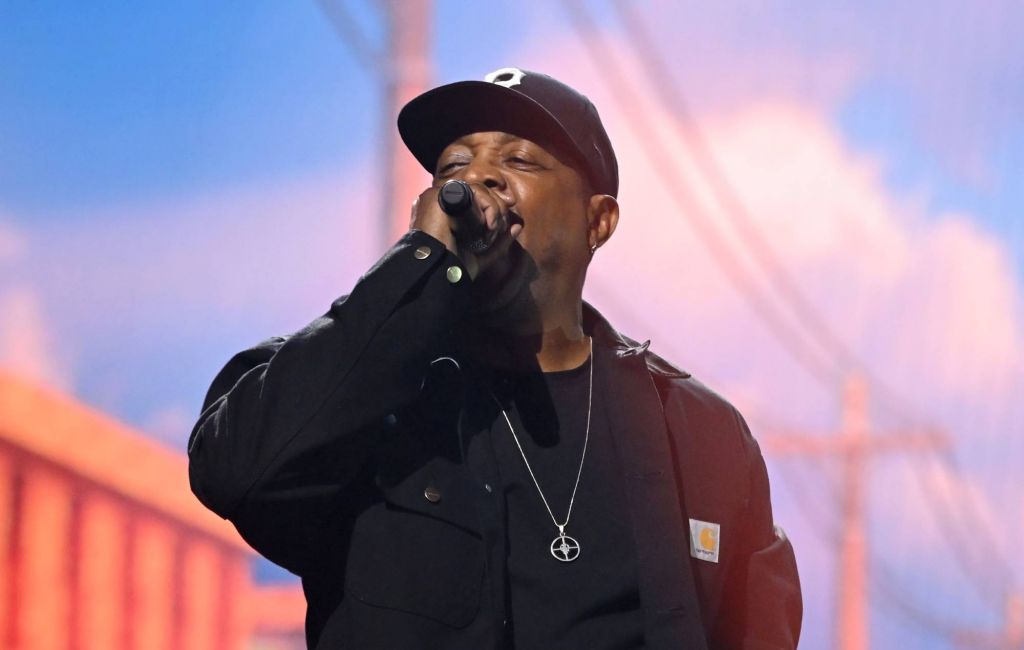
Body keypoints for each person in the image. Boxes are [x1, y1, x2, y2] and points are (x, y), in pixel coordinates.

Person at [188, 67, 802, 650]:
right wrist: (419, 265)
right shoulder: (362, 392)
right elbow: (234, 473)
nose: (479, 178)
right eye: (455, 164)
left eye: (518, 159)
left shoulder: (701, 434)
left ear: (599, 220)